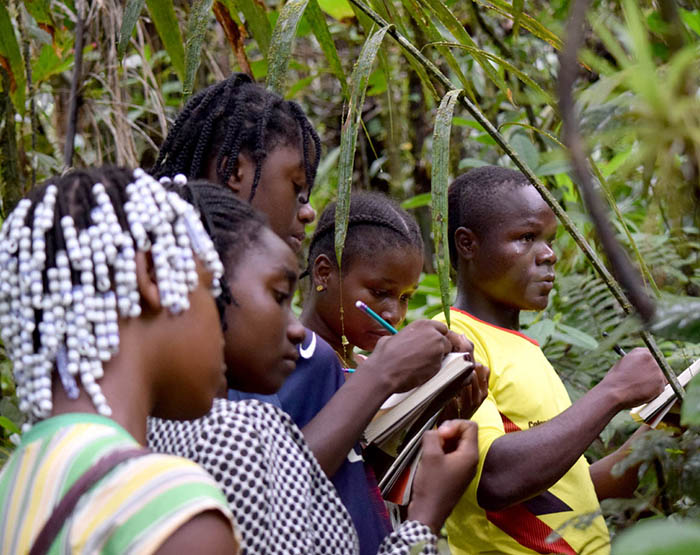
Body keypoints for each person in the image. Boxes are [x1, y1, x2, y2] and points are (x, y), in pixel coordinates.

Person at [151, 74, 485, 553]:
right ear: (234, 170)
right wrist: (384, 374)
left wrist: (430, 406)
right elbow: (265, 487)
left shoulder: (291, 349)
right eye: (297, 188)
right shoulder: (219, 348)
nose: (308, 212)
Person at [0, 167, 238, 554]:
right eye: (210, 287)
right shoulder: (164, 505)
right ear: (152, 275)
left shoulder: (12, 487)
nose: (221, 321)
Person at [436, 165, 667, 554]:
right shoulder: (452, 341)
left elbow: (572, 494)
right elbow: (496, 480)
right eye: (526, 238)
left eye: (549, 240)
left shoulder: (524, 349)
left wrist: (662, 427)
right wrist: (614, 391)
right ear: (467, 244)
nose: (548, 255)